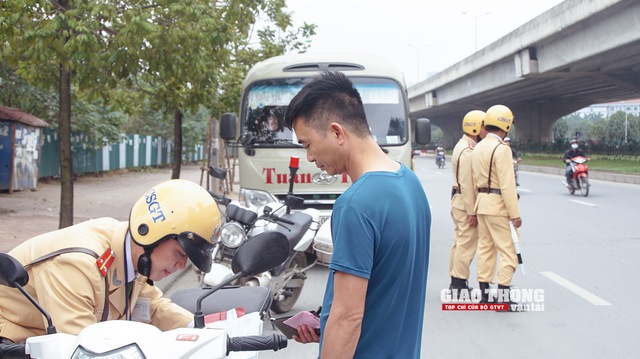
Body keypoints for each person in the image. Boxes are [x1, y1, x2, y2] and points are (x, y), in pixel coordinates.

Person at [284, 71, 431, 358]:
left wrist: (333, 325)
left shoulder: (356, 204)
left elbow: (347, 319)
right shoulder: (410, 183)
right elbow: (385, 290)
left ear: (337, 132)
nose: (310, 158)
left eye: (307, 144)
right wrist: (324, 324)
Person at [0, 179, 220, 348]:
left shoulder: (132, 251)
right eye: (180, 254)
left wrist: (203, 329)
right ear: (152, 235)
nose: (181, 266)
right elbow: (80, 348)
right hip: (12, 340)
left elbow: (152, 308)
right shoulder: (76, 265)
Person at [471, 104, 522, 311]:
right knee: (509, 251)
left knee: (485, 248)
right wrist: (515, 214)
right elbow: (508, 185)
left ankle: (484, 294)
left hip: (482, 203)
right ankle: (504, 296)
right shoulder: (502, 150)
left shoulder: (478, 147)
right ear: (506, 124)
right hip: (498, 205)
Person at [449, 110, 486, 297]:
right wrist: (472, 211)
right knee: (466, 243)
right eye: (483, 126)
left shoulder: (463, 145)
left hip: (458, 200)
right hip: (464, 202)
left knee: (459, 241)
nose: (485, 130)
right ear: (476, 128)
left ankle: (456, 279)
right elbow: (468, 185)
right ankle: (459, 282)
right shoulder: (467, 151)